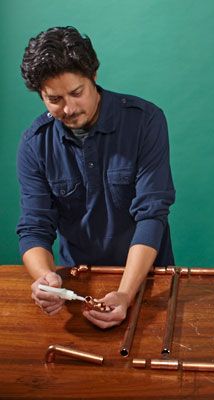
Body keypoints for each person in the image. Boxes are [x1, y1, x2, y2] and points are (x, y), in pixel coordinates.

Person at [16, 26, 175, 329]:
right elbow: (35, 226)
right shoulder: (34, 143)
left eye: (77, 93)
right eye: (54, 99)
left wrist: (126, 293)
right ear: (40, 95)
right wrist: (45, 279)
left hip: (149, 279)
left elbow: (152, 214)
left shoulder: (145, 121)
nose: (69, 108)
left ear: (94, 76)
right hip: (78, 284)